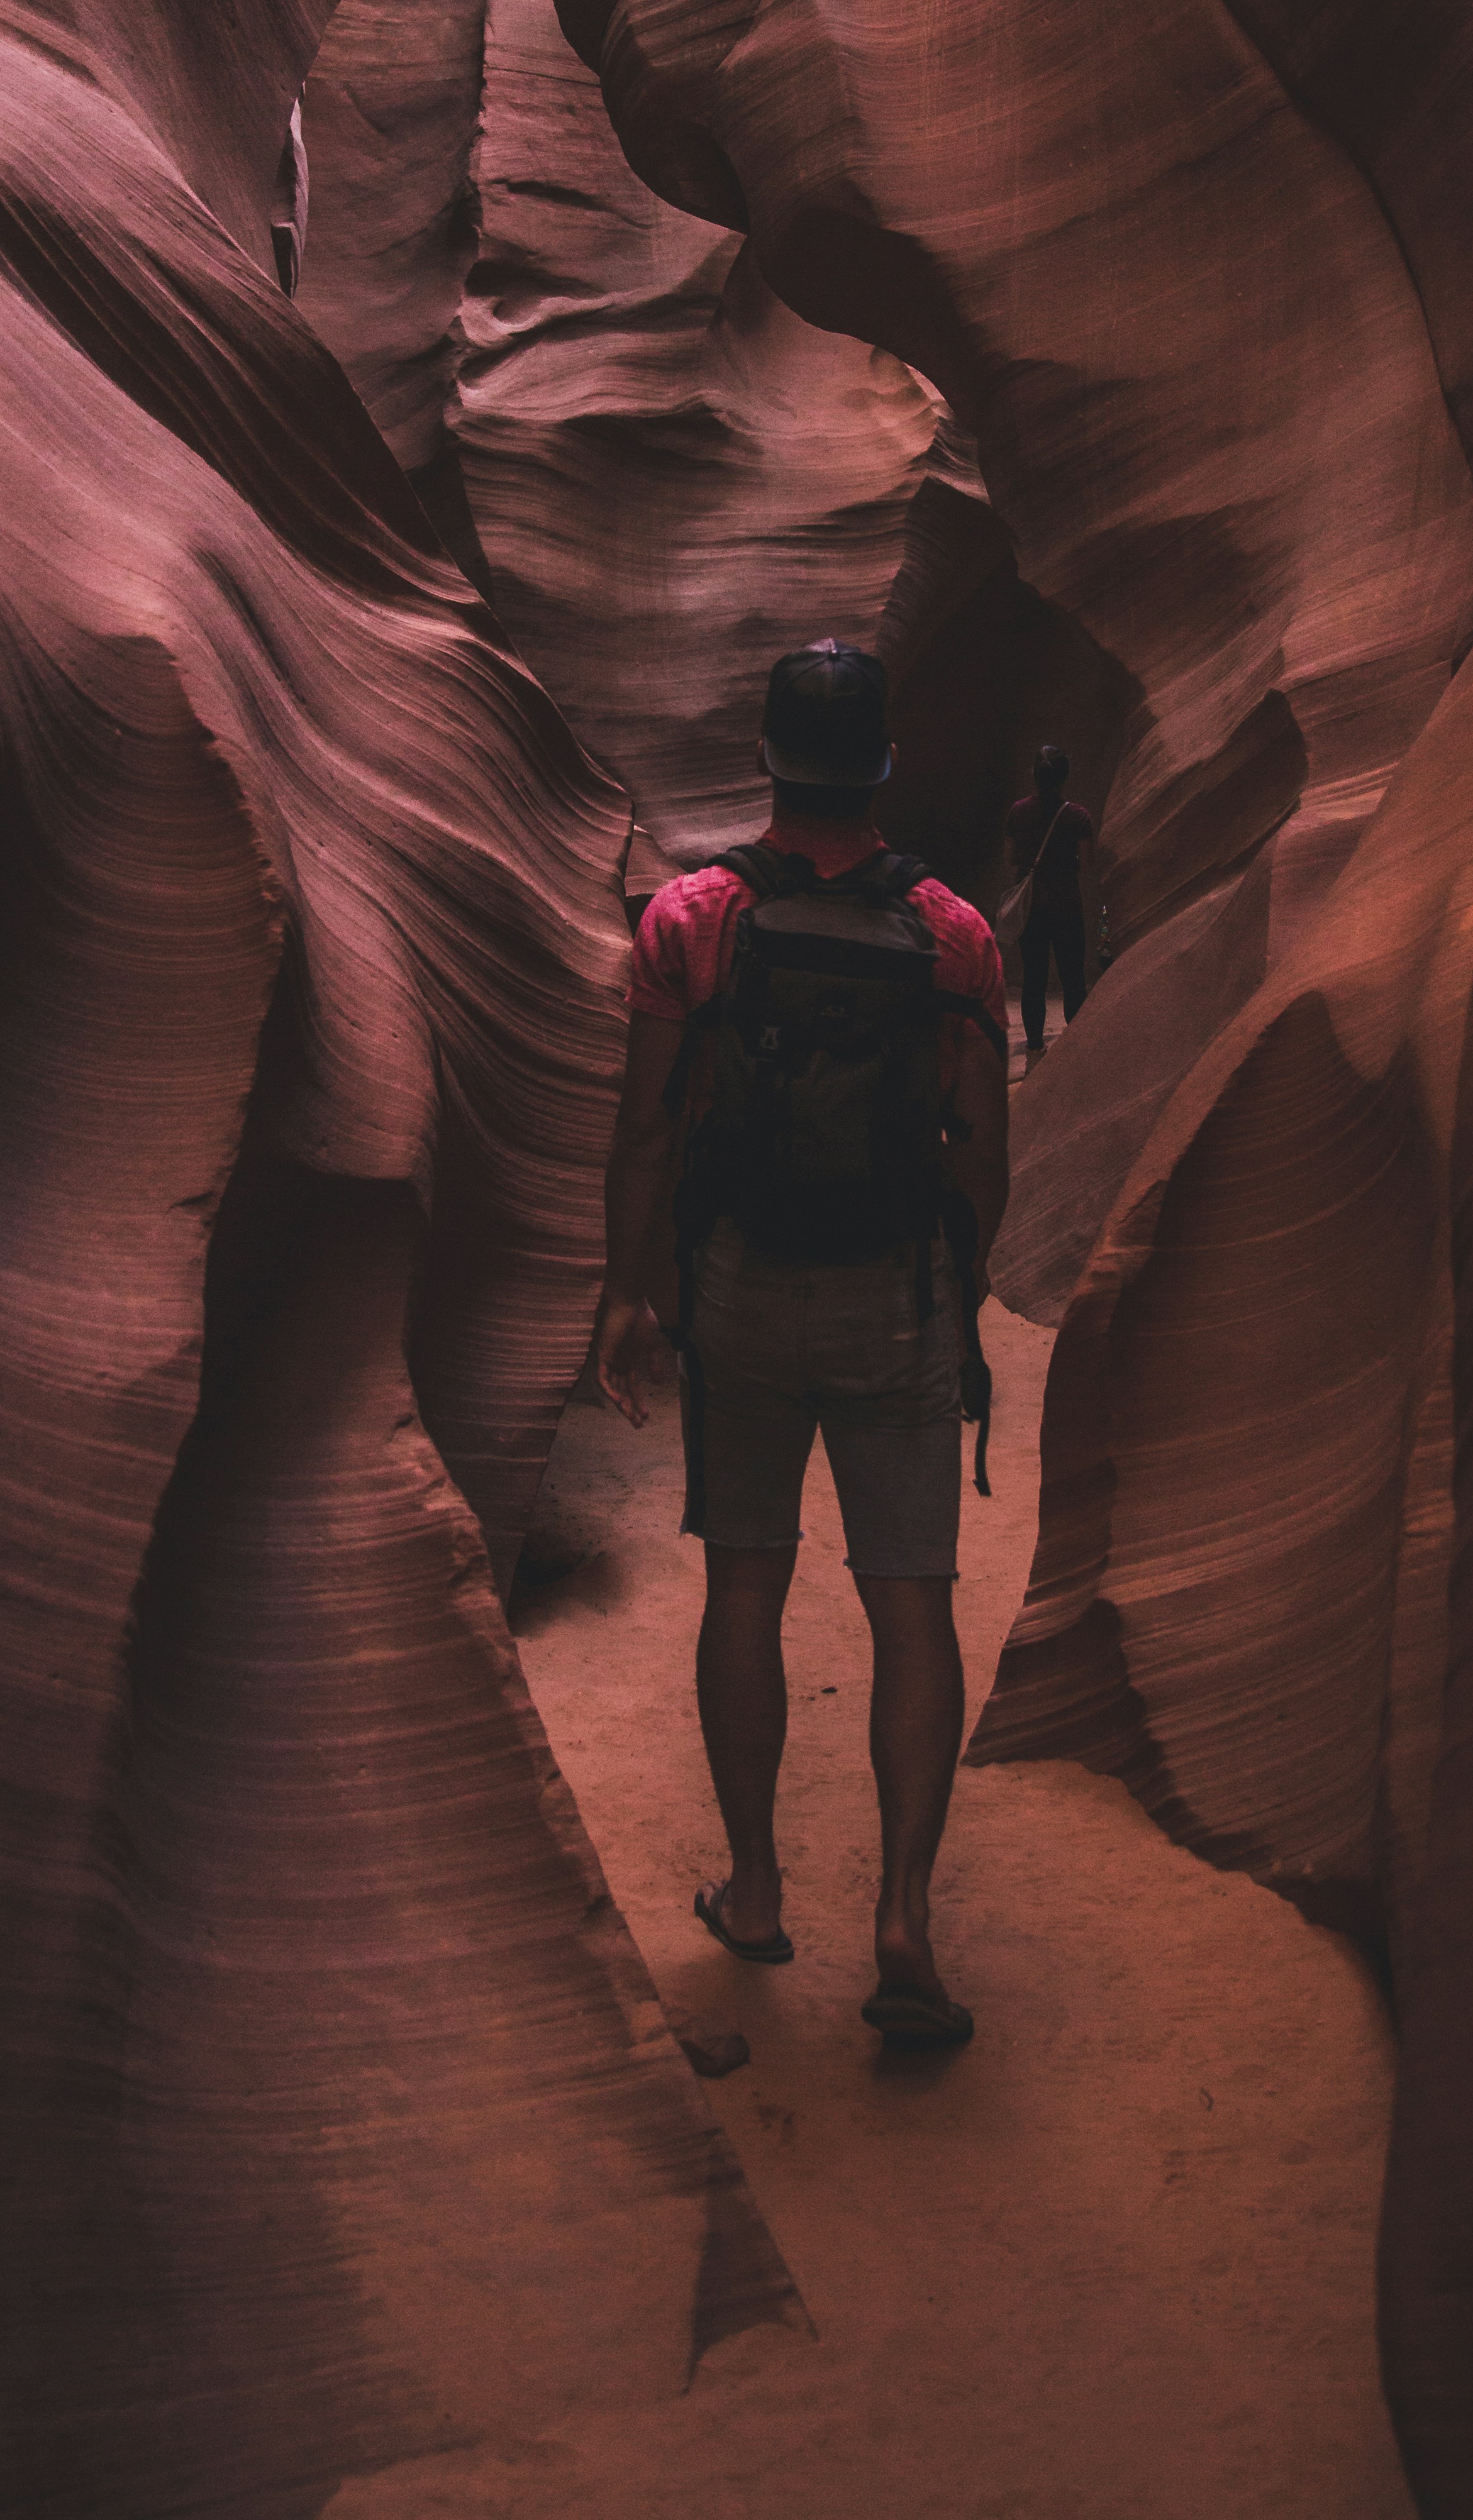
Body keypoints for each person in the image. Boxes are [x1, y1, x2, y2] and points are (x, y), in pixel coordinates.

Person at [582, 641, 1009, 2049]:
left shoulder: (692, 920)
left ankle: (757, 1891)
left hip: (743, 1291)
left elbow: (647, 1130)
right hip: (895, 1297)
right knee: (910, 1605)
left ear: (768, 760)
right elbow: (981, 1151)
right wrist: (959, 1291)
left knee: (746, 1591)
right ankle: (901, 1916)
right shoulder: (954, 933)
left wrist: (631, 1295)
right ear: (882, 768)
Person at [1003, 743, 1093, 1063]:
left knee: (1034, 980)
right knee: (1073, 978)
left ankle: (1034, 1052)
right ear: (1065, 776)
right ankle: (1077, 1054)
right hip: (1067, 903)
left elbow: (1011, 857)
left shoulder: (1018, 812)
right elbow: (1086, 864)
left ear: (1034, 775)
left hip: (1032, 909)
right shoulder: (1078, 817)